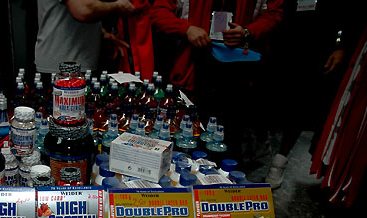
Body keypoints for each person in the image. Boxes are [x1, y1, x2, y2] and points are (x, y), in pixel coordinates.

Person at [150, 0, 282, 160]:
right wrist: (186, 28)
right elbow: (158, 12)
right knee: (186, 141)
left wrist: (248, 32)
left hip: (237, 73)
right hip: (191, 69)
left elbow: (274, 14)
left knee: (227, 141)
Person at [264, 0, 360, 189]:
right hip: (283, 42)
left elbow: (348, 14)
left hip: (318, 47)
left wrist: (341, 46)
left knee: (300, 106)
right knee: (271, 102)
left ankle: (279, 161)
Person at [35, 0, 137, 74]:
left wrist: (102, 34)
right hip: (62, 68)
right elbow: (83, 9)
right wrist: (117, 5)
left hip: (78, 63)